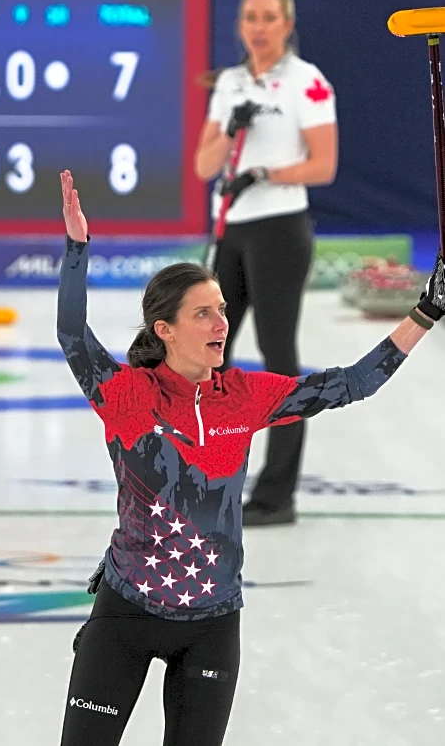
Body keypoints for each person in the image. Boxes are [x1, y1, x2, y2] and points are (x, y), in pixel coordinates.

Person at [56, 169, 444, 746]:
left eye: (221, 309)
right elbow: (71, 333)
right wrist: (77, 248)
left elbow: (351, 385)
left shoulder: (246, 395)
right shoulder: (128, 396)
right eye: (204, 314)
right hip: (128, 613)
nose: (223, 323)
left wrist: (427, 312)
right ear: (164, 329)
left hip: (213, 622)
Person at [194, 0, 338, 526]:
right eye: (250, 17)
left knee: (278, 360)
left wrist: (264, 171)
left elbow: (323, 165)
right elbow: (203, 167)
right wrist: (230, 136)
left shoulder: (308, 82)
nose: (258, 27)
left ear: (287, 24)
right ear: (240, 25)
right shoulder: (229, 82)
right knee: (209, 360)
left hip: (279, 228)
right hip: (230, 227)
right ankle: (212, 479)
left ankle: (277, 496)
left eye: (269, 18)